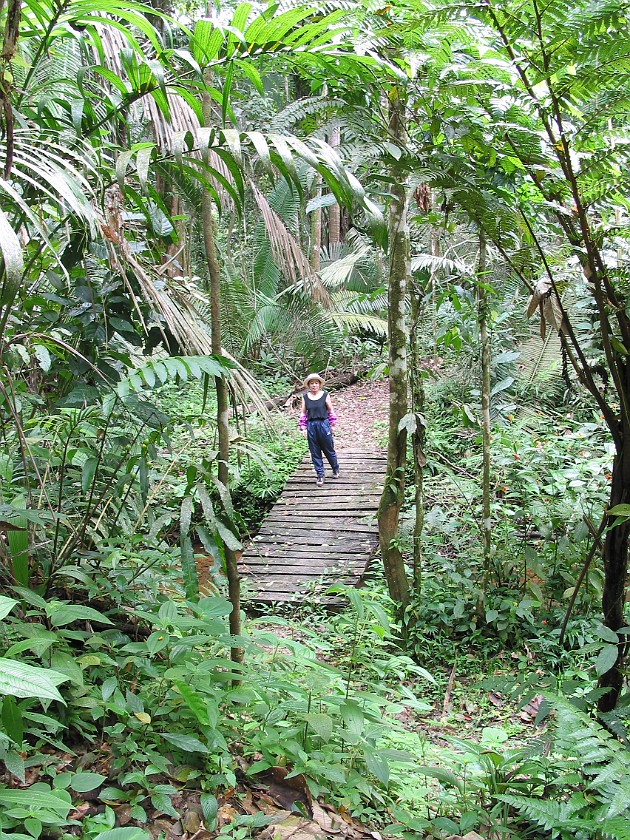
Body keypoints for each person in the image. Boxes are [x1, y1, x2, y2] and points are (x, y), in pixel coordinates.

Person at [299, 373, 340, 487]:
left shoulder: (325, 395)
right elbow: (303, 413)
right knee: (314, 451)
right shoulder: (305, 397)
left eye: (316, 383)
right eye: (311, 383)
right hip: (311, 425)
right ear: (308, 385)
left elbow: (330, 411)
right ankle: (320, 475)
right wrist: (303, 428)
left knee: (328, 449)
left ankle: (335, 468)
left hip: (323, 424)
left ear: (319, 384)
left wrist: (332, 424)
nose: (314, 385)